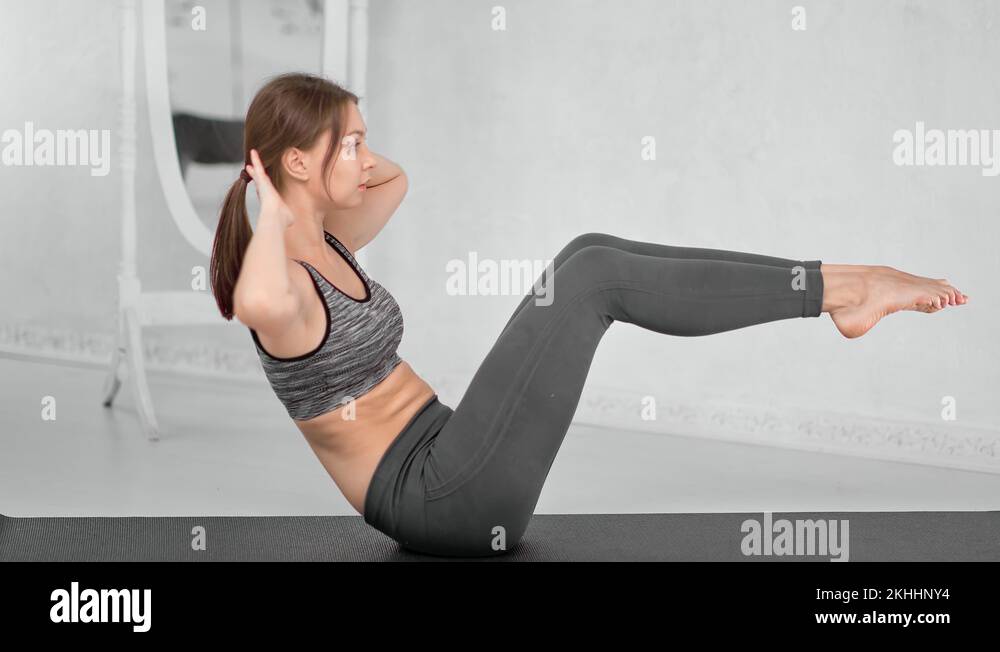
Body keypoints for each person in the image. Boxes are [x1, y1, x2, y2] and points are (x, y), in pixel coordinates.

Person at [210, 73, 968, 557]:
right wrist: (271, 204)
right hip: (439, 499)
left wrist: (328, 155)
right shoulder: (284, 287)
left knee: (586, 250)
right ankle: (844, 290)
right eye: (351, 145)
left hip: (448, 448)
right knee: (595, 280)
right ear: (298, 165)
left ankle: (843, 282)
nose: (367, 157)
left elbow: (396, 182)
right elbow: (254, 302)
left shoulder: (332, 239)